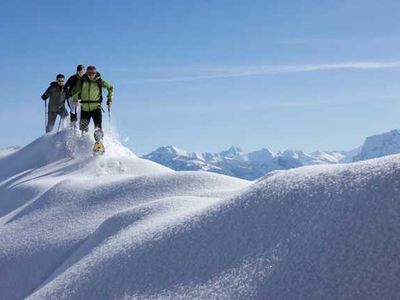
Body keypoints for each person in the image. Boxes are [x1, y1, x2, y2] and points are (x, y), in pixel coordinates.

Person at [72, 66, 113, 149]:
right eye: (89, 73)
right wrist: (75, 99)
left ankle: (99, 144)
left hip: (96, 107)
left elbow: (110, 88)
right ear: (86, 73)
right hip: (84, 108)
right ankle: (84, 144)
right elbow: (74, 91)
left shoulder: (99, 81)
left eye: (93, 73)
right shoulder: (82, 81)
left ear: (95, 73)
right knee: (83, 127)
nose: (91, 75)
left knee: (97, 127)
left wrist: (109, 99)